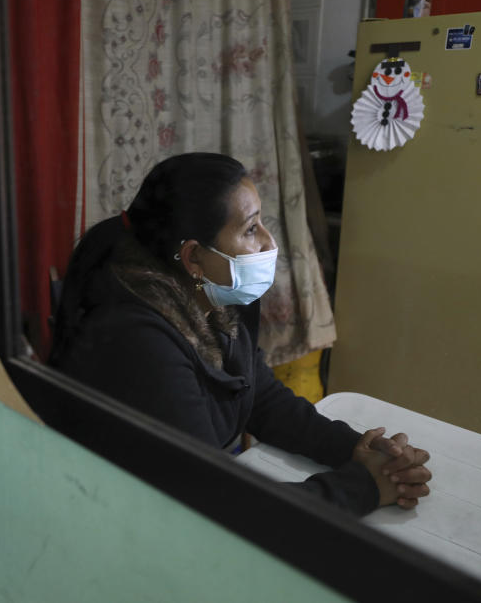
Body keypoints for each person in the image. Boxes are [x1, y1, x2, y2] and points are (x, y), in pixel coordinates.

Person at [50, 153, 430, 516]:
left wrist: (357, 450)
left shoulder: (210, 293)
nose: (268, 242)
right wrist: (362, 486)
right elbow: (219, 502)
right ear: (193, 257)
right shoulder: (138, 340)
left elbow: (259, 396)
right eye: (251, 229)